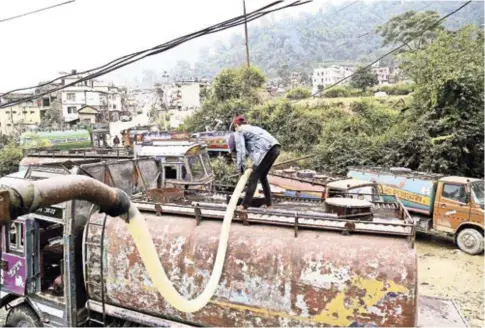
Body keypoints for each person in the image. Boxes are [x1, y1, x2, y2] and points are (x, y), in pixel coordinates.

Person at [230, 115, 280, 212]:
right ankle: (269, 204)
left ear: (236, 125)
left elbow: (241, 151)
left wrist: (240, 169)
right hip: (275, 148)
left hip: (267, 150)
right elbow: (252, 151)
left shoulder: (239, 131)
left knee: (253, 176)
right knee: (262, 176)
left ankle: (244, 206)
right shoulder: (252, 129)